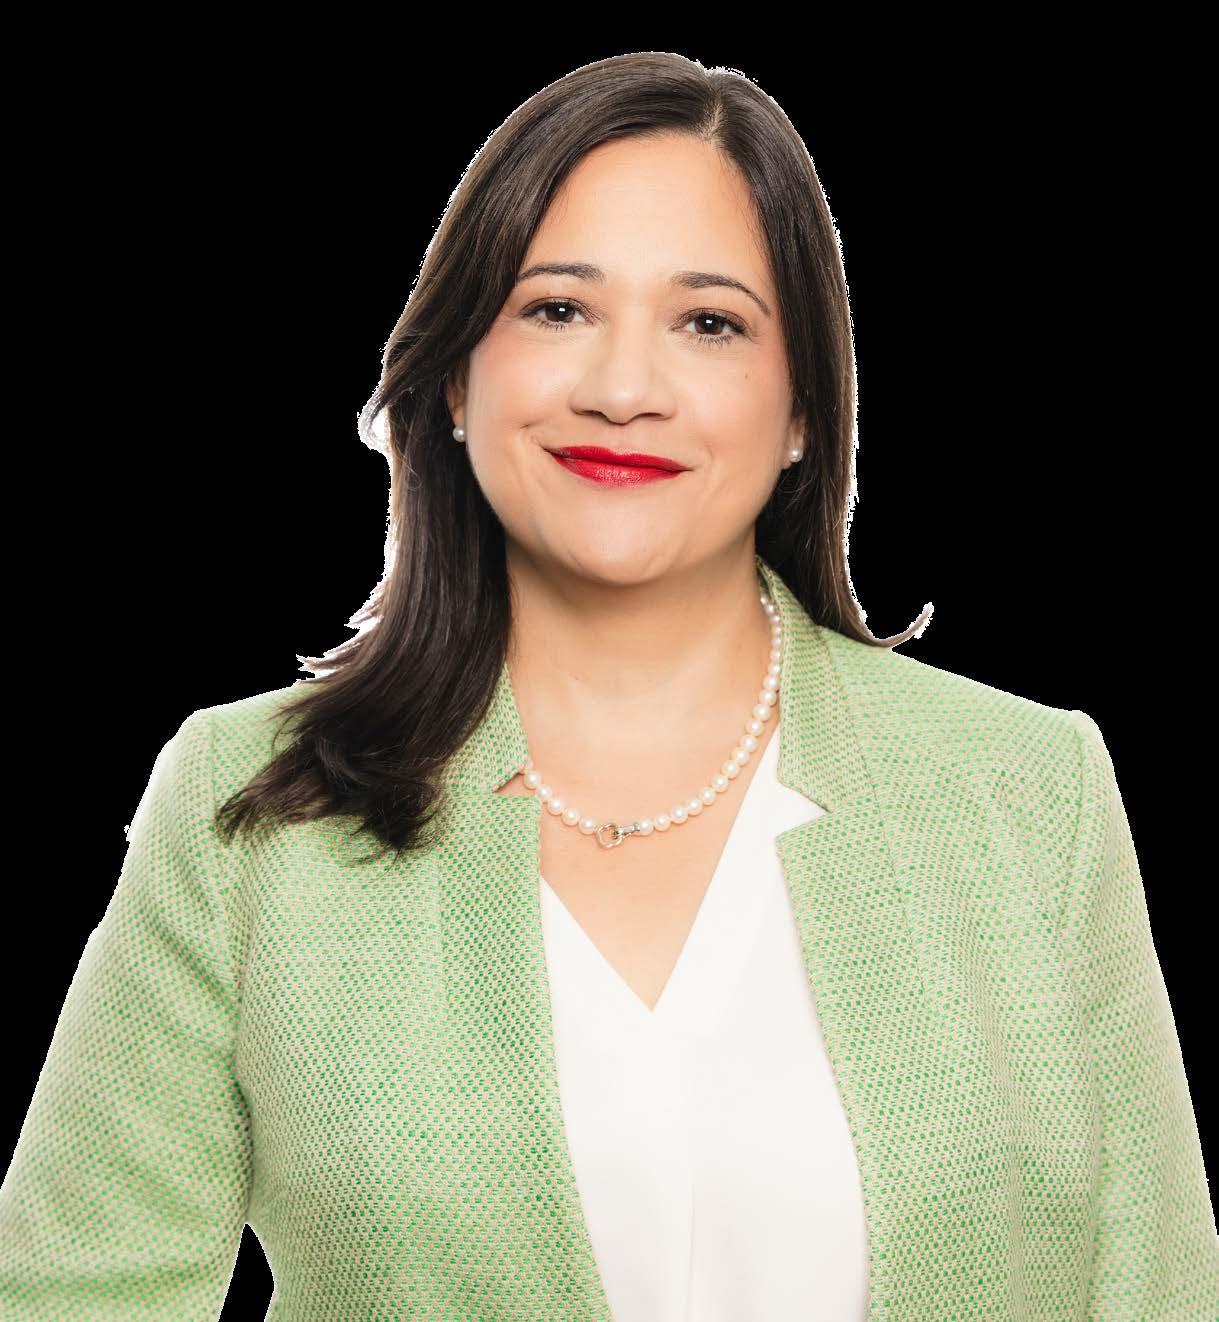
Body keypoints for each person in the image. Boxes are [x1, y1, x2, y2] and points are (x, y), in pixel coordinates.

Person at [2, 52, 1216, 1322]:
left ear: (803, 408)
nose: (623, 389)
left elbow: (1156, 1291)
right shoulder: (252, 808)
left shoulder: (1026, 789)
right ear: (457, 378)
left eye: (709, 323)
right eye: (556, 309)